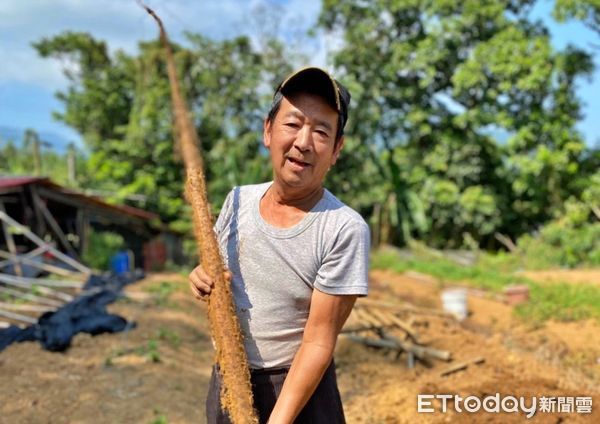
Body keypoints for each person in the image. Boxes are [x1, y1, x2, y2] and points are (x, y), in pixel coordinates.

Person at [189, 67, 370, 424]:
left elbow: (319, 342)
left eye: (321, 131)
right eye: (293, 124)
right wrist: (200, 280)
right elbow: (221, 283)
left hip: (299, 392)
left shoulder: (343, 228)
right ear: (268, 130)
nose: (304, 141)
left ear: (336, 150)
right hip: (230, 379)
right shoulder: (237, 200)